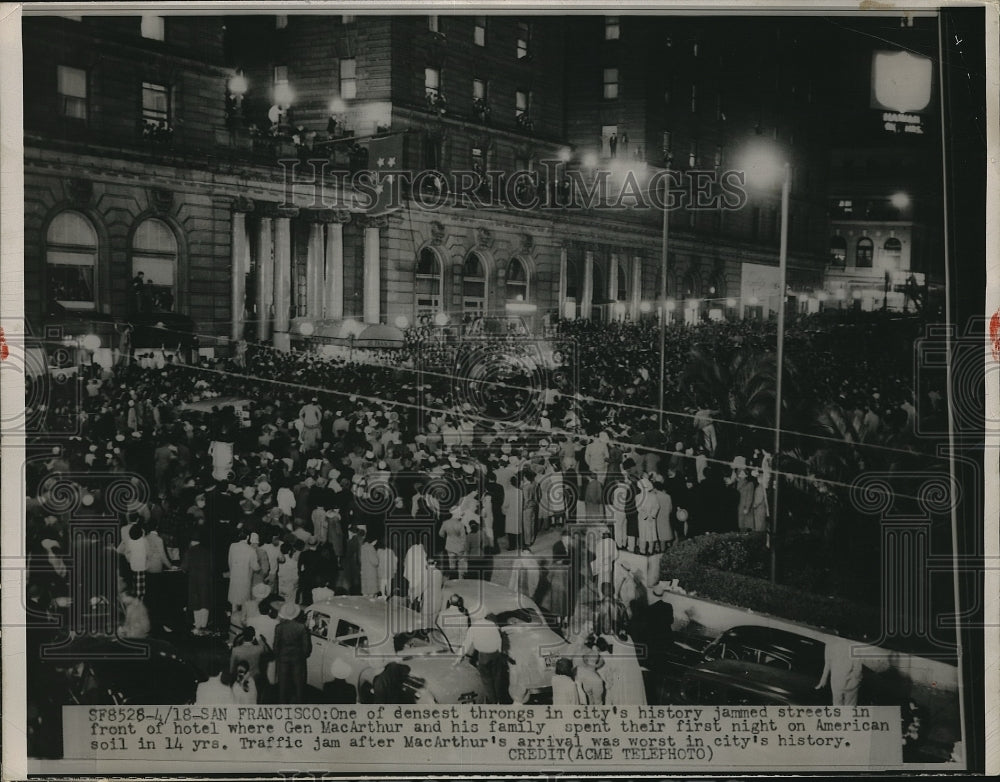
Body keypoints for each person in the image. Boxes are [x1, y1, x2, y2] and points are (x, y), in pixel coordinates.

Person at [452, 614, 507, 704]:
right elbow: (498, 639)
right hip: (496, 655)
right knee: (497, 678)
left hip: (484, 656)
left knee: (487, 681)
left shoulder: (473, 628)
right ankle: (499, 700)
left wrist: (458, 658)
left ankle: (492, 702)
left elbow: (466, 644)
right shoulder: (491, 624)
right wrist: (499, 651)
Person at [273, 602, 311, 703]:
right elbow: (306, 648)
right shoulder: (301, 628)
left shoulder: (279, 627)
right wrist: (301, 656)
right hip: (297, 659)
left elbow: (276, 646)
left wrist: (279, 656)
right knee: (298, 686)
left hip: (283, 659)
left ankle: (282, 706)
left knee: (282, 686)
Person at [179, 533, 213, 635]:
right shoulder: (207, 551)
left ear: (191, 542)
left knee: (196, 602)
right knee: (205, 602)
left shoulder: (189, 551)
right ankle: (204, 625)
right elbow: (212, 567)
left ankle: (197, 626)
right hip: (206, 580)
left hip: (194, 581)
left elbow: (184, 567)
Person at [816, 637, 864, 706]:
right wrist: (857, 681)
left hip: (836, 682)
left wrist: (823, 679)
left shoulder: (830, 643)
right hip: (851, 685)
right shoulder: (855, 645)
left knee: (837, 708)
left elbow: (827, 664)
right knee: (850, 710)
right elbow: (858, 669)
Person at [228, 531, 260, 617]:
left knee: (234, 603)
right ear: (248, 537)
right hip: (245, 580)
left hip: (234, 578)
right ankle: (241, 623)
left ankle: (233, 622)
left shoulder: (233, 546)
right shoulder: (251, 550)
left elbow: (230, 561)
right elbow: (255, 567)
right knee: (244, 604)